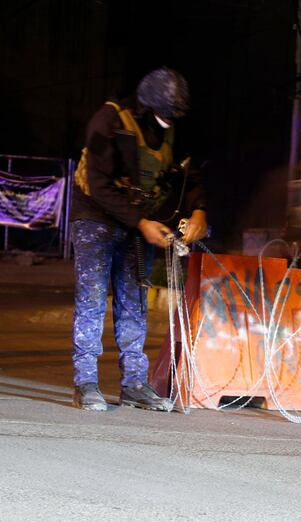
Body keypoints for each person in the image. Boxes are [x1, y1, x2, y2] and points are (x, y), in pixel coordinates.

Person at [70, 67, 208, 411]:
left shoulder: (174, 130)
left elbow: (188, 175)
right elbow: (99, 185)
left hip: (139, 223)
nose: (166, 122)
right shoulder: (109, 122)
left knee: (134, 304)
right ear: (147, 107)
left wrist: (199, 211)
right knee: (92, 299)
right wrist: (141, 222)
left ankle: (133, 384)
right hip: (95, 219)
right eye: (162, 115)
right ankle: (85, 383)